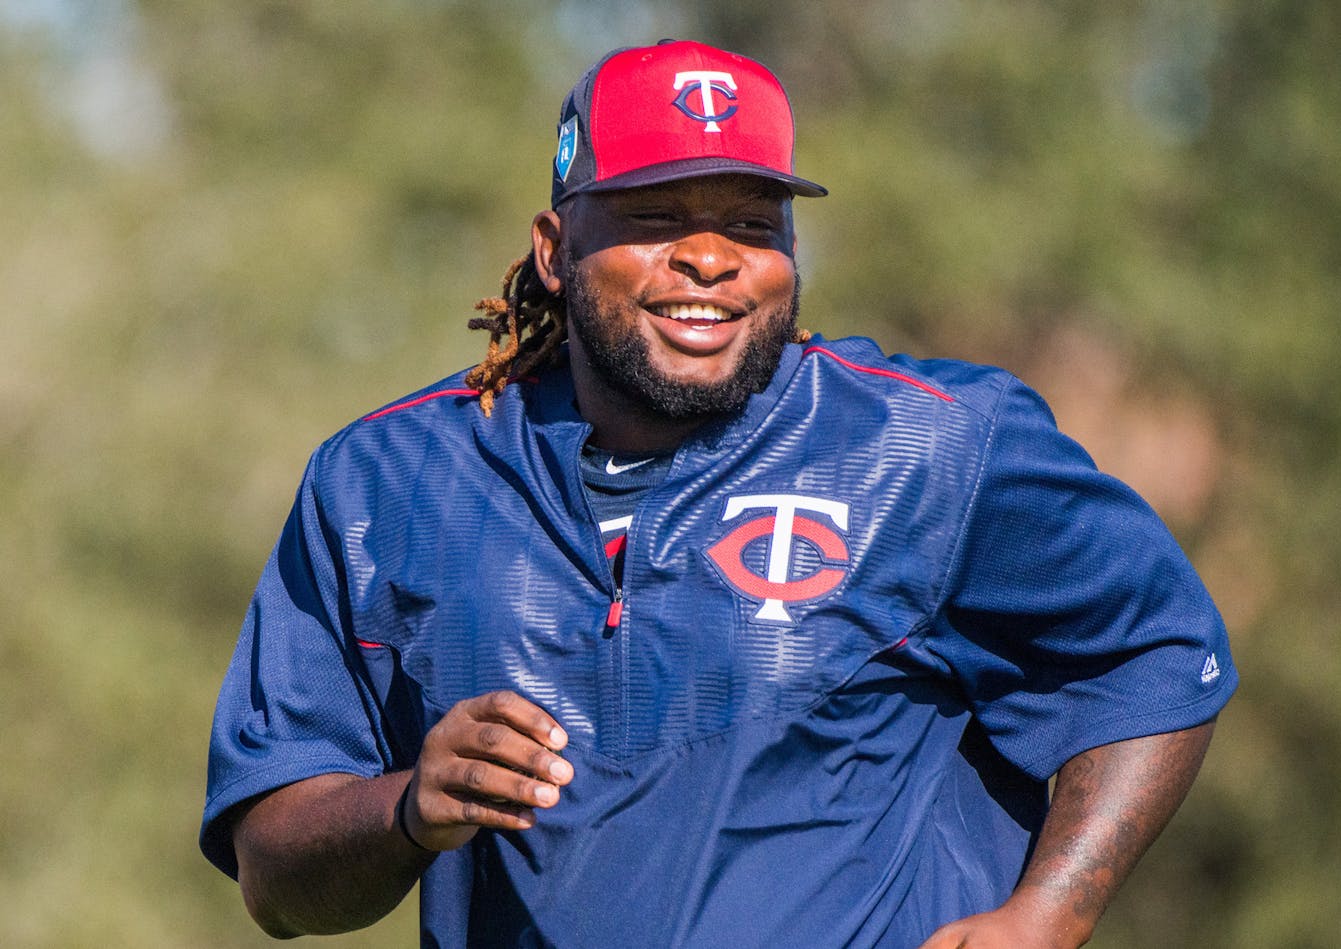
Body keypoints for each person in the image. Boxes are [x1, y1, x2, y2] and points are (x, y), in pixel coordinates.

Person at [201, 39, 1236, 948]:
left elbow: (1153, 654)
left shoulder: (932, 443)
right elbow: (275, 875)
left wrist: (1050, 910)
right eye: (656, 217)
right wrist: (408, 807)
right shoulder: (383, 482)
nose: (708, 259)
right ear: (555, 252)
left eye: (751, 223)